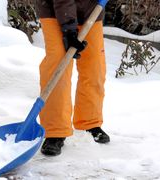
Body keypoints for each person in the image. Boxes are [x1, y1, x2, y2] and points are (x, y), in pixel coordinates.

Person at [35, 0, 110, 156]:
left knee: (95, 65)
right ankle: (55, 131)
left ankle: (89, 122)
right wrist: (69, 30)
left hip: (91, 8)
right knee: (58, 62)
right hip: (54, 10)